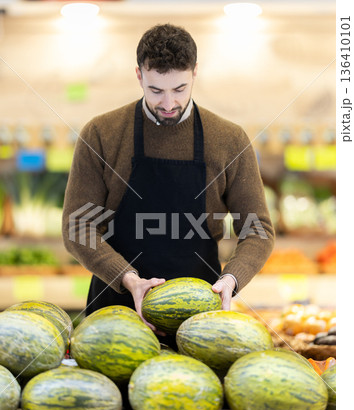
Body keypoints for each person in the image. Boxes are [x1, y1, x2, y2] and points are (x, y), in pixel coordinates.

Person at [62, 24, 275, 347]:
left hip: (200, 317)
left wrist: (232, 278)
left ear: (195, 73)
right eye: (156, 90)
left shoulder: (229, 139)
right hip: (115, 314)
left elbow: (258, 229)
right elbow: (77, 225)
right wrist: (127, 278)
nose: (168, 103)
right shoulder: (101, 134)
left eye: (179, 88)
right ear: (139, 75)